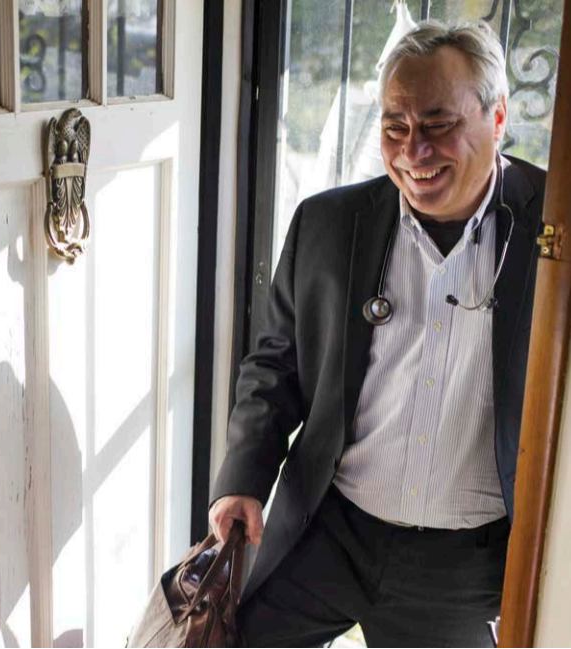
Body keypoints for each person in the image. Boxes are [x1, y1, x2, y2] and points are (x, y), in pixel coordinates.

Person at [210, 20, 546, 648]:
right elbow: (275, 365)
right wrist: (242, 479)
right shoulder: (328, 223)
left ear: (498, 117)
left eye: (438, 125)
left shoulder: (554, 227)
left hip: (463, 565)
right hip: (329, 531)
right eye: (396, 127)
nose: (413, 152)